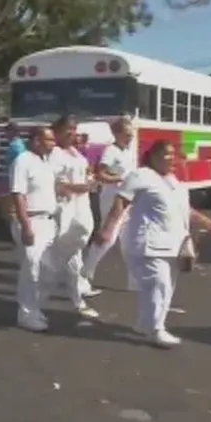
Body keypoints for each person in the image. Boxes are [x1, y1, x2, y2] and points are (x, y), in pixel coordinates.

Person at [96, 140, 211, 347]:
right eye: (167, 154)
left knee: (167, 287)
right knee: (158, 285)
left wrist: (205, 221)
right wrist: (107, 229)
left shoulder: (174, 182)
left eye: (174, 154)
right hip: (148, 244)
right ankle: (155, 329)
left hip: (174, 245)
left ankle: (145, 325)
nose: (172, 159)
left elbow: (183, 210)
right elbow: (120, 203)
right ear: (153, 156)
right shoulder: (141, 175)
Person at [50, 116, 100, 319]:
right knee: (70, 252)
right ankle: (77, 298)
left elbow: (83, 171)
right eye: (67, 128)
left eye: (74, 128)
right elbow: (57, 184)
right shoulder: (55, 153)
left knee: (75, 250)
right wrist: (82, 187)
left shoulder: (75, 152)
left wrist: (89, 177)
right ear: (58, 130)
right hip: (66, 207)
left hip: (82, 204)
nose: (72, 132)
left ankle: (76, 290)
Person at [10, 126, 59, 331]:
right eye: (49, 140)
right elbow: (18, 195)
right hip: (32, 221)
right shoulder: (23, 161)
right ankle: (26, 314)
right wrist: (26, 225)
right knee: (31, 268)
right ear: (36, 140)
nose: (53, 144)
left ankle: (35, 307)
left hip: (49, 222)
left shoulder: (46, 163)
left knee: (48, 271)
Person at [81, 117, 136, 294]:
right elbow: (100, 174)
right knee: (107, 238)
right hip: (112, 198)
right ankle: (85, 273)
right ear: (116, 134)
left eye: (131, 135)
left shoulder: (127, 151)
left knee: (130, 241)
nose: (130, 138)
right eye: (127, 135)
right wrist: (120, 179)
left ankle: (134, 281)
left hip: (128, 199)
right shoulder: (111, 151)